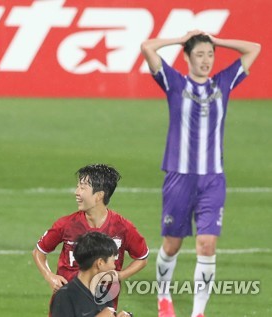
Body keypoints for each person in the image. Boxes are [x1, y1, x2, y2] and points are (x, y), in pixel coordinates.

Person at [140, 30, 261, 317]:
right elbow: (147, 47)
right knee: (171, 245)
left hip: (212, 179)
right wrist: (180, 38)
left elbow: (253, 47)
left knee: (207, 246)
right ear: (187, 57)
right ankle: (163, 297)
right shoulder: (174, 82)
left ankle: (198, 312)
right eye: (199, 54)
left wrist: (216, 41)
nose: (206, 60)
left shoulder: (223, 81)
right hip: (179, 177)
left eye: (210, 55)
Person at [33, 164, 149, 312]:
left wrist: (120, 275)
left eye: (83, 188)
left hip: (102, 305)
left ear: (99, 195)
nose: (76, 192)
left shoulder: (123, 227)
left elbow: (142, 257)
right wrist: (50, 276)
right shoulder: (66, 224)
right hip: (67, 306)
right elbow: (39, 251)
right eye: (78, 186)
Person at [50, 231, 133, 317]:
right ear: (100, 263)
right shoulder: (65, 296)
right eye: (113, 261)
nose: (114, 267)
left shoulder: (104, 293)